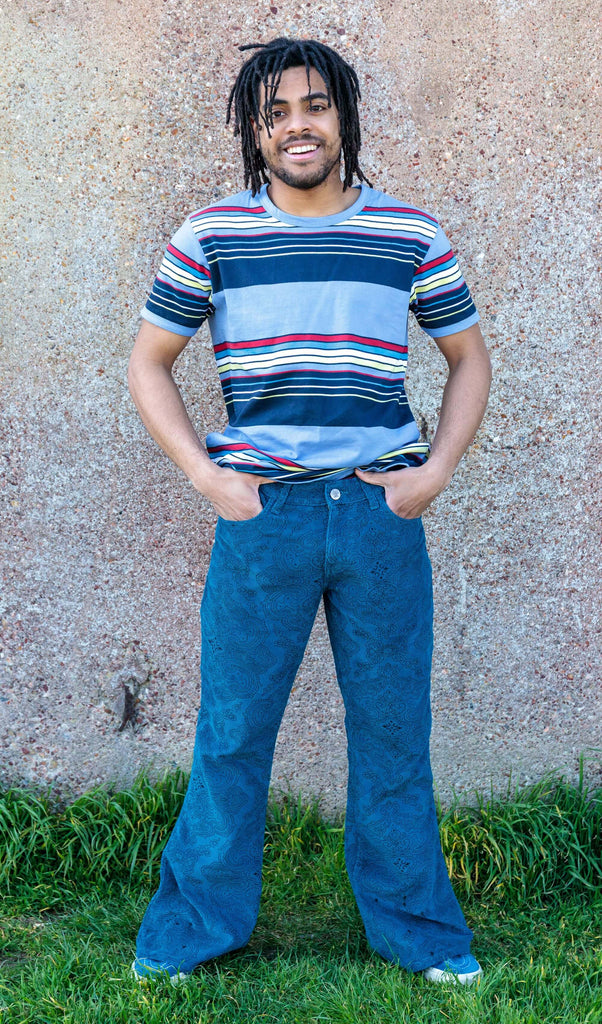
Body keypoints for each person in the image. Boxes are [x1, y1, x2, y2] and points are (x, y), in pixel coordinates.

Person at [127, 37, 492, 987]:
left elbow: (468, 361)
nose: (298, 125)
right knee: (234, 731)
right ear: (255, 128)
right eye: (275, 111)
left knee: (393, 735)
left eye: (315, 106)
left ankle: (421, 935)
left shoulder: (410, 233)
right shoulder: (211, 235)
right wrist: (208, 478)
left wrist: (435, 473)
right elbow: (148, 362)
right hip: (266, 519)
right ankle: (192, 931)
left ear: (345, 117)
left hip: (380, 516)